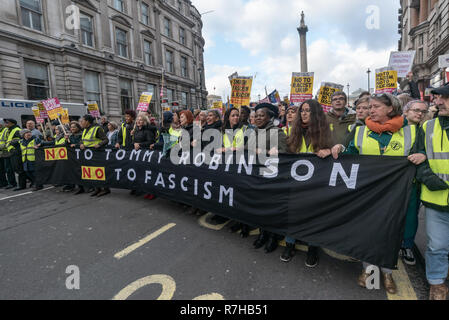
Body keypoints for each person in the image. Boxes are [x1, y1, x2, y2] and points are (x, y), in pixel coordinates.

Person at [332, 93, 427, 295]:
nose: (370, 110)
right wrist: (339, 148)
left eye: (375, 106)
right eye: (369, 107)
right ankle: (370, 272)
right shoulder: (360, 131)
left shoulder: (411, 132)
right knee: (369, 232)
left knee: (390, 233)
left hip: (397, 195)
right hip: (369, 194)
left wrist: (422, 155)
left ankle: (387, 272)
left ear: (390, 109)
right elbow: (349, 154)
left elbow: (422, 153)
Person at [281, 100, 333, 267]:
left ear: (316, 114)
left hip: (316, 183)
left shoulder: (327, 131)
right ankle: (290, 244)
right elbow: (285, 154)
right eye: (302, 110)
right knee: (293, 214)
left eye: (308, 111)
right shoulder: (292, 131)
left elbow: (341, 152)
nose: (304, 113)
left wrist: (332, 150)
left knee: (314, 215)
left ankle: (313, 247)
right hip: (295, 182)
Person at [415, 84, 449, 300]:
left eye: (444, 98)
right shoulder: (427, 127)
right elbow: (418, 157)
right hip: (436, 199)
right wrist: (429, 179)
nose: (437, 102)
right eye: (438, 98)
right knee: (437, 246)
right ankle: (436, 283)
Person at [248, 103, 288, 253]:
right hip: (257, 177)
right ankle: (263, 233)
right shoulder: (253, 133)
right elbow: (247, 151)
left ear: (269, 117)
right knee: (260, 207)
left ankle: (273, 236)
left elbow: (284, 153)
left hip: (272, 178)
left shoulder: (278, 133)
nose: (258, 118)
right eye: (256, 115)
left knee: (271, 209)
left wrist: (264, 151)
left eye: (261, 115)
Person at [79, 114, 110, 197]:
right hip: (89, 155)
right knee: (92, 171)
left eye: (82, 121)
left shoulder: (97, 129)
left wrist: (99, 144)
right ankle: (97, 189)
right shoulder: (85, 130)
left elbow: (106, 140)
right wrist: (81, 144)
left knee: (100, 171)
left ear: (87, 121)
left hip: (97, 154)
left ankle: (105, 189)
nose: (81, 122)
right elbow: (82, 140)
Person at [3, 119, 22, 191]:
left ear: (12, 123)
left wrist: (13, 145)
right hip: (11, 152)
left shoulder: (16, 130)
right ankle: (14, 184)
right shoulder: (9, 130)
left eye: (7, 122)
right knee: (13, 169)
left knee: (18, 169)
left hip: (16, 152)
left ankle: (21, 185)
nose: (5, 124)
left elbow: (20, 139)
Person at [0, 119, 10, 188]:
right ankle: (2, 183)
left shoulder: (6, 130)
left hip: (6, 152)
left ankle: (8, 183)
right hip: (1, 153)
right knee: (1, 170)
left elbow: (8, 141)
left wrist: (1, 146)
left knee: (7, 169)